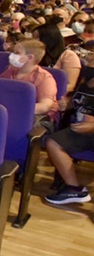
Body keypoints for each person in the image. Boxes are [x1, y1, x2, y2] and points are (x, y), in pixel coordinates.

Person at [44, 69, 94, 205]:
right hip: (82, 129)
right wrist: (68, 103)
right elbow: (80, 99)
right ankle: (74, 189)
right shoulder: (87, 77)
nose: (87, 57)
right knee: (54, 142)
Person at [0, 40, 59, 127]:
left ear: (30, 57)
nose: (12, 55)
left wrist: (16, 109)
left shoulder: (44, 78)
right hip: (12, 112)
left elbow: (45, 106)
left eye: (17, 53)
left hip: (38, 116)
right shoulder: (10, 71)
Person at [33, 23, 81, 98]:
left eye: (38, 37)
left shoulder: (68, 55)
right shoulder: (36, 55)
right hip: (35, 94)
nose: (34, 41)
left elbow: (70, 85)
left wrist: (47, 93)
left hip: (54, 96)